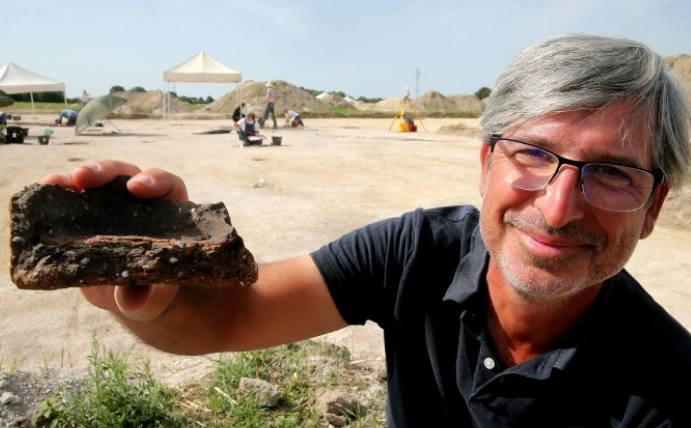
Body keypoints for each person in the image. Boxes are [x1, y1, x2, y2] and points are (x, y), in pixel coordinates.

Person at [41, 33, 691, 427]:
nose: (556, 208)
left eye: (609, 173)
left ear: (654, 205)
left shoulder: (666, 387)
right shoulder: (414, 253)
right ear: (486, 162)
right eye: (532, 154)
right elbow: (231, 318)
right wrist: (161, 291)